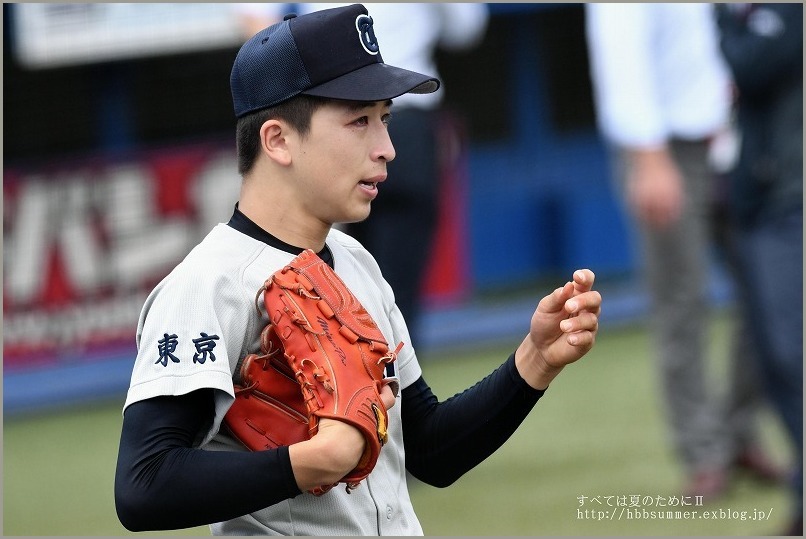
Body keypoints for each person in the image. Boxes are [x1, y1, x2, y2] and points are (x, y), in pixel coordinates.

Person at [114, 5, 602, 535]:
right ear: (277, 140)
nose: (387, 148)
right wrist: (310, 461)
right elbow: (143, 486)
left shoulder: (355, 262)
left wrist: (534, 359)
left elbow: (430, 449)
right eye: (359, 121)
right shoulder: (206, 286)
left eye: (386, 119)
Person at [584, 3, 782, 501]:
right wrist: (649, 160)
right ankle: (704, 453)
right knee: (682, 303)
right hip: (667, 147)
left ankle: (737, 431)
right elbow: (620, 55)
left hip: (736, 135)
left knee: (774, 287)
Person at [232, 2, 489, 348]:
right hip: (333, 113)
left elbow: (258, 26)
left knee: (368, 291)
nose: (385, 151)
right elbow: (466, 27)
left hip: (363, 110)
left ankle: (385, 389)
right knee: (353, 283)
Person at [714, 3, 803, 534]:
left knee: (792, 352)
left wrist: (724, 20)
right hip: (753, 199)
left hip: (788, 199)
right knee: (773, 359)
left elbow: (752, 64)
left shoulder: (784, 11)